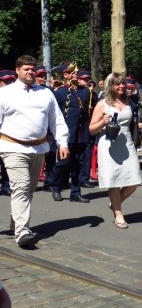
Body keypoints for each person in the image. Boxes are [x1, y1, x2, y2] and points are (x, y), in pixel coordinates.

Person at [0, 55, 70, 248]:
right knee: (21, 187)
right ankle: (23, 233)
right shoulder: (5, 93)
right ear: (17, 71)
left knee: (29, 190)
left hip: (39, 148)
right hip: (12, 147)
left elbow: (56, 120)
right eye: (26, 69)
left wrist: (62, 143)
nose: (30, 72)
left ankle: (16, 223)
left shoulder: (45, 93)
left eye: (32, 69)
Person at [88, 73, 142, 229]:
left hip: (126, 143)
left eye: (123, 84)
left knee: (134, 180)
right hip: (108, 144)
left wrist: (139, 126)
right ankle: (118, 214)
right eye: (117, 84)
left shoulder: (129, 101)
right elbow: (92, 129)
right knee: (114, 181)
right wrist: (102, 122)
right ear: (110, 86)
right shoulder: (102, 104)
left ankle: (114, 202)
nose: (121, 87)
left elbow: (130, 122)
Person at [52, 62, 98, 203]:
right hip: (67, 135)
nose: (75, 74)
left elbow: (94, 108)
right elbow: (54, 115)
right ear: (65, 75)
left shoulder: (85, 92)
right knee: (63, 163)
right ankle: (56, 187)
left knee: (79, 164)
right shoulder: (60, 92)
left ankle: (75, 192)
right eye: (71, 72)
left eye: (76, 72)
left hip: (82, 133)